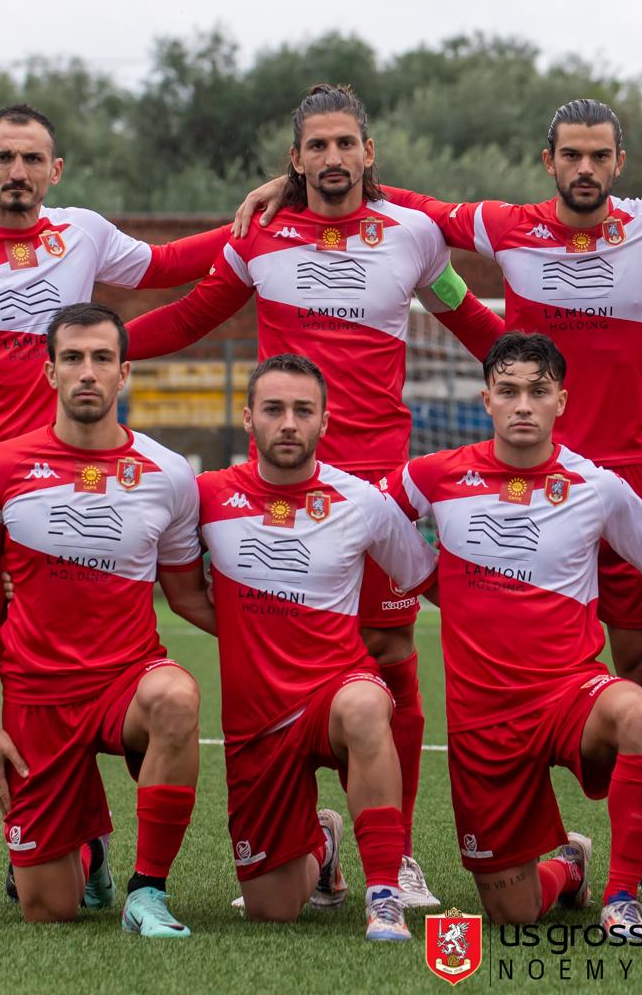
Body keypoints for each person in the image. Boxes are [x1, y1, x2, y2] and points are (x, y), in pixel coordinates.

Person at [236, 97, 642, 908]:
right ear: (549, 161)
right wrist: (296, 184)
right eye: (570, 155)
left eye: (599, 156)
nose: (584, 168)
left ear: (619, 163)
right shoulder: (505, 225)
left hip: (632, 484)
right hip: (536, 485)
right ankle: (567, 854)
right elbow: (397, 202)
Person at [125, 84, 501, 906]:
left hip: (381, 488)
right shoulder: (261, 235)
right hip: (285, 486)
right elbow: (193, 314)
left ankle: (393, 854)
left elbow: (467, 317)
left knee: (394, 656)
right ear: (295, 160)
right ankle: (309, 844)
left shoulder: (414, 237)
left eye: (346, 144)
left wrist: (535, 371)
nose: (333, 157)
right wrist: (113, 348)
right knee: (281, 660)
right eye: (317, 146)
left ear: (369, 154)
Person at [0, 103, 227, 914]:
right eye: (3, 158)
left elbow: (169, 263)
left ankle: (78, 840)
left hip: (57, 503)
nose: (18, 172)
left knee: (62, 679)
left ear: (55, 171)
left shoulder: (84, 235)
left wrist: (257, 227)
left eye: (33, 159)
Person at [383, 332, 642, 936]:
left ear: (561, 401)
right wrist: (427, 576)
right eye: (510, 391)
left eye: (538, 392)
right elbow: (365, 516)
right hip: (483, 719)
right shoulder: (435, 475)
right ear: (485, 398)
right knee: (511, 914)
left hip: (570, 695)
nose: (523, 405)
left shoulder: (597, 486)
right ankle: (570, 868)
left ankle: (623, 896)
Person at [0, 303, 214, 936]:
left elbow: (186, 595)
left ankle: (146, 893)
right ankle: (88, 845)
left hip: (126, 681)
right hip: (38, 696)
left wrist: (297, 635)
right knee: (49, 909)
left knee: (176, 697)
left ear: (125, 372)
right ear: (49, 372)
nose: (88, 372)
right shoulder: (0, 468)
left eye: (102, 358)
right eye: (73, 358)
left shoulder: (167, 473)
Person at [198, 353, 439, 940]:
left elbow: (430, 578)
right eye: (274, 409)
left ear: (324, 422)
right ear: (248, 416)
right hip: (257, 721)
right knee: (272, 909)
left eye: (303, 411)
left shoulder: (362, 502)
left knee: (364, 706)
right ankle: (323, 845)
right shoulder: (204, 497)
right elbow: (146, 571)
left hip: (336, 691)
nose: (288, 423)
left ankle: (384, 893)